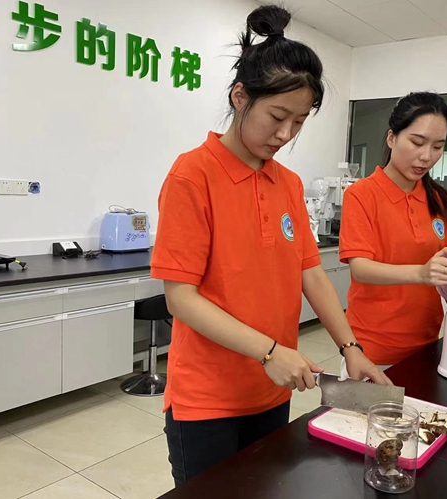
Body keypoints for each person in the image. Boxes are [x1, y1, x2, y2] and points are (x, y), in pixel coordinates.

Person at [150, 4, 391, 486]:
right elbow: (181, 299)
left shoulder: (288, 184)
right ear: (240, 96)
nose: (285, 134)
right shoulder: (192, 175)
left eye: (299, 122)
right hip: (207, 399)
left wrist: (350, 347)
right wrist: (269, 351)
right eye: (277, 116)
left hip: (273, 391)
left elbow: (311, 273)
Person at [339, 92, 447, 375]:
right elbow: (361, 268)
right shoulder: (362, 195)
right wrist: (421, 273)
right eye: (417, 142)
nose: (426, 156)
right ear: (392, 138)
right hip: (372, 349)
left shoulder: (440, 201)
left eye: (438, 146)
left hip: (428, 345)